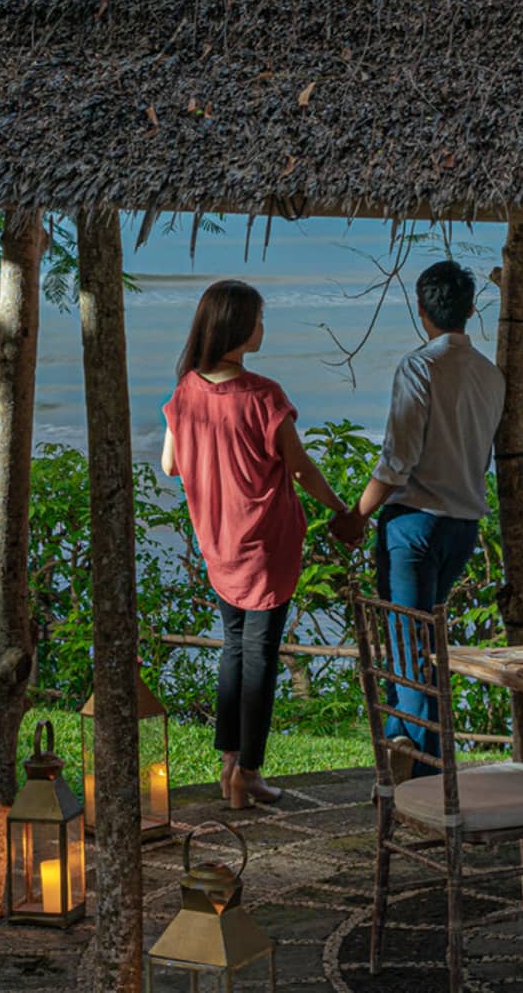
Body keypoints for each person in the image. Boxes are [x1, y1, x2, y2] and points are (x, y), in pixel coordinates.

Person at [161, 279, 357, 810]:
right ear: (239, 327)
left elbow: (170, 465)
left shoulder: (186, 391)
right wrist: (342, 510)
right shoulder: (263, 395)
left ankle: (229, 765)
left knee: (233, 648)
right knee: (260, 655)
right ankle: (248, 771)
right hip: (266, 545)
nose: (263, 327)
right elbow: (302, 469)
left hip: (219, 542)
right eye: (259, 319)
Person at [332, 260, 504, 769]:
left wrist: (357, 515)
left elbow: (397, 459)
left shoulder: (418, 367)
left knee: (408, 654)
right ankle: (399, 750)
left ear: (422, 310)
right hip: (463, 527)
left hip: (413, 526)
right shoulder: (491, 377)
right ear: (471, 309)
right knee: (419, 645)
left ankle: (430, 771)